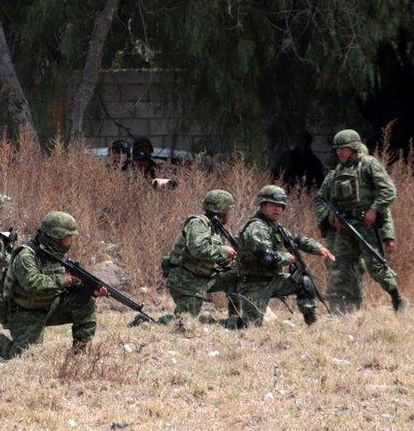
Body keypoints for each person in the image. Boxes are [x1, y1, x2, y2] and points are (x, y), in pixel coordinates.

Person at [0, 211, 109, 359]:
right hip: (24, 312)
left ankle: (78, 354)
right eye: (68, 238)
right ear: (55, 237)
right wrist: (65, 280)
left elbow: (70, 281)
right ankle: (1, 344)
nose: (70, 242)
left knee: (85, 302)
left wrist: (89, 290)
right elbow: (33, 283)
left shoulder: (55, 254)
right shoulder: (26, 256)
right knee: (25, 357)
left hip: (49, 306)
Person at [314, 129, 408, 313]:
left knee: (375, 267)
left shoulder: (368, 164)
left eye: (344, 148)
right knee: (338, 265)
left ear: (354, 148)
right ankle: (338, 309)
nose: (340, 152)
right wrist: (331, 216)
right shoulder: (337, 172)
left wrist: (374, 210)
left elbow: (388, 191)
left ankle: (397, 297)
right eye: (337, 149)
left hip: (365, 226)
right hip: (344, 227)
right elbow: (324, 200)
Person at [233, 185, 335, 328]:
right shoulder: (256, 228)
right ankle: (213, 322)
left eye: (281, 206)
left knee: (304, 282)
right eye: (273, 205)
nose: (278, 209)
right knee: (250, 325)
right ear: (262, 205)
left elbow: (295, 240)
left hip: (273, 280)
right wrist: (288, 258)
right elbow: (267, 258)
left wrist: (318, 248)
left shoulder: (274, 226)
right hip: (254, 284)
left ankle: (312, 323)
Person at [156, 190, 239, 325]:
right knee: (184, 321)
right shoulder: (197, 224)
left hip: (203, 278)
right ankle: (149, 323)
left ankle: (236, 319)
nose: (230, 214)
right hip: (186, 280)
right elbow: (198, 249)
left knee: (237, 275)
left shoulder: (215, 229)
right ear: (220, 211)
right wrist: (224, 251)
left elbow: (221, 260)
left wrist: (238, 262)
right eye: (228, 210)